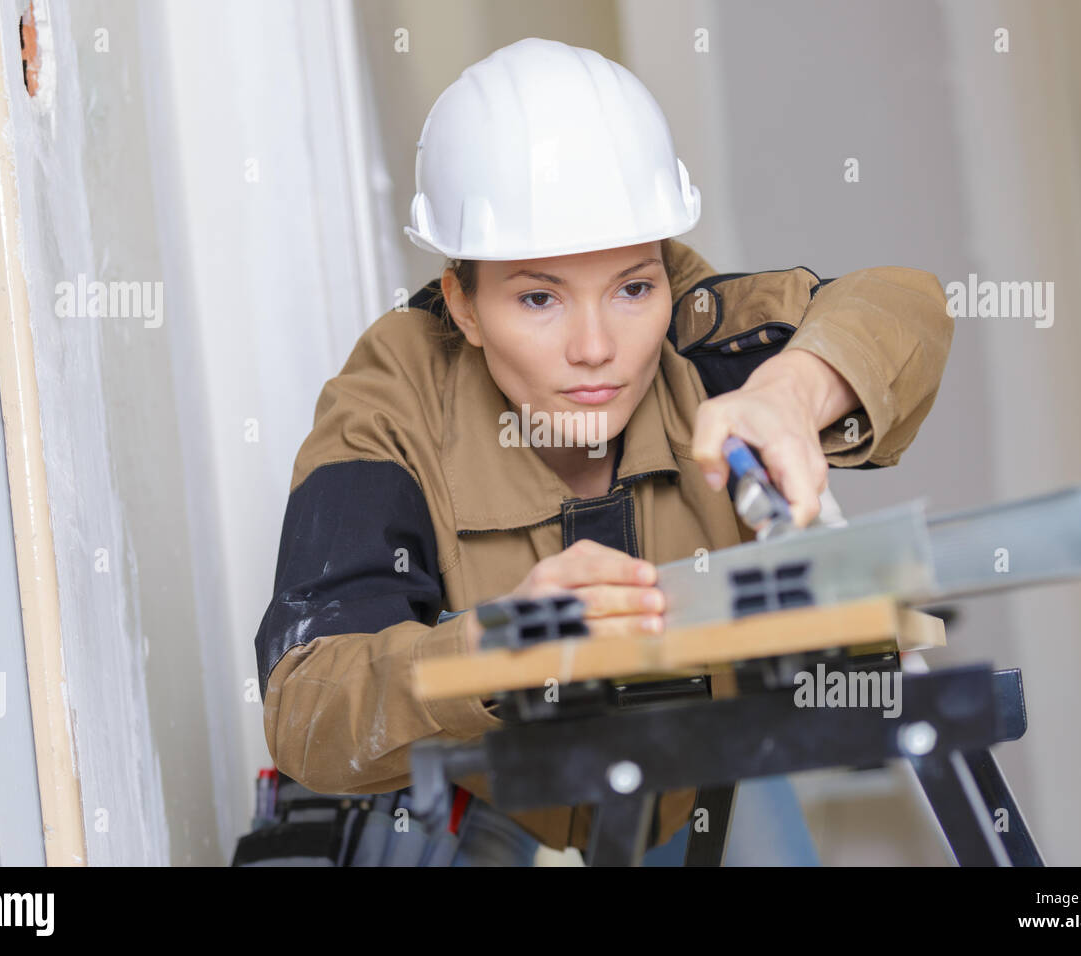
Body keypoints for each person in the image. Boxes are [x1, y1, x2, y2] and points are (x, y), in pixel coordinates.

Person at [254, 36, 952, 865]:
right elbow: (306, 706)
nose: (596, 349)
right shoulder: (391, 402)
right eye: (539, 298)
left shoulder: (697, 337)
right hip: (482, 793)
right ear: (464, 305)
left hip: (688, 774)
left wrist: (794, 393)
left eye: (632, 288)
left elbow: (904, 306)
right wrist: (492, 648)